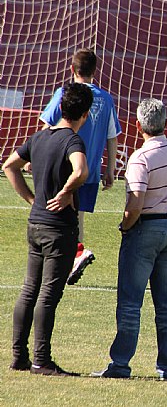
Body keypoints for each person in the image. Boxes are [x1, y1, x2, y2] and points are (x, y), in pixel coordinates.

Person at [92, 99, 167, 380]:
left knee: (131, 302)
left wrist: (124, 226)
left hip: (146, 227)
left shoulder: (140, 159)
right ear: (164, 124)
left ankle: (120, 364)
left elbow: (135, 205)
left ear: (137, 126)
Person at [3, 83, 93, 376]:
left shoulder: (40, 137)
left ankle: (18, 356)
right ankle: (41, 360)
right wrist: (68, 191)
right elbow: (81, 171)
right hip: (59, 229)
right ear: (86, 113)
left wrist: (32, 199)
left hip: (36, 223)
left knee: (29, 290)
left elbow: (9, 166)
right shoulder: (72, 141)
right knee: (48, 294)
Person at [39, 48, 122, 285]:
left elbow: (48, 124)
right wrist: (110, 169)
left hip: (63, 164)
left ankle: (74, 254)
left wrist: (36, 154)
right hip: (91, 169)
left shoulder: (66, 93)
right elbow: (112, 136)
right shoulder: (106, 99)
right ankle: (71, 261)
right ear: (95, 71)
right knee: (77, 216)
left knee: (54, 213)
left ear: (72, 69)